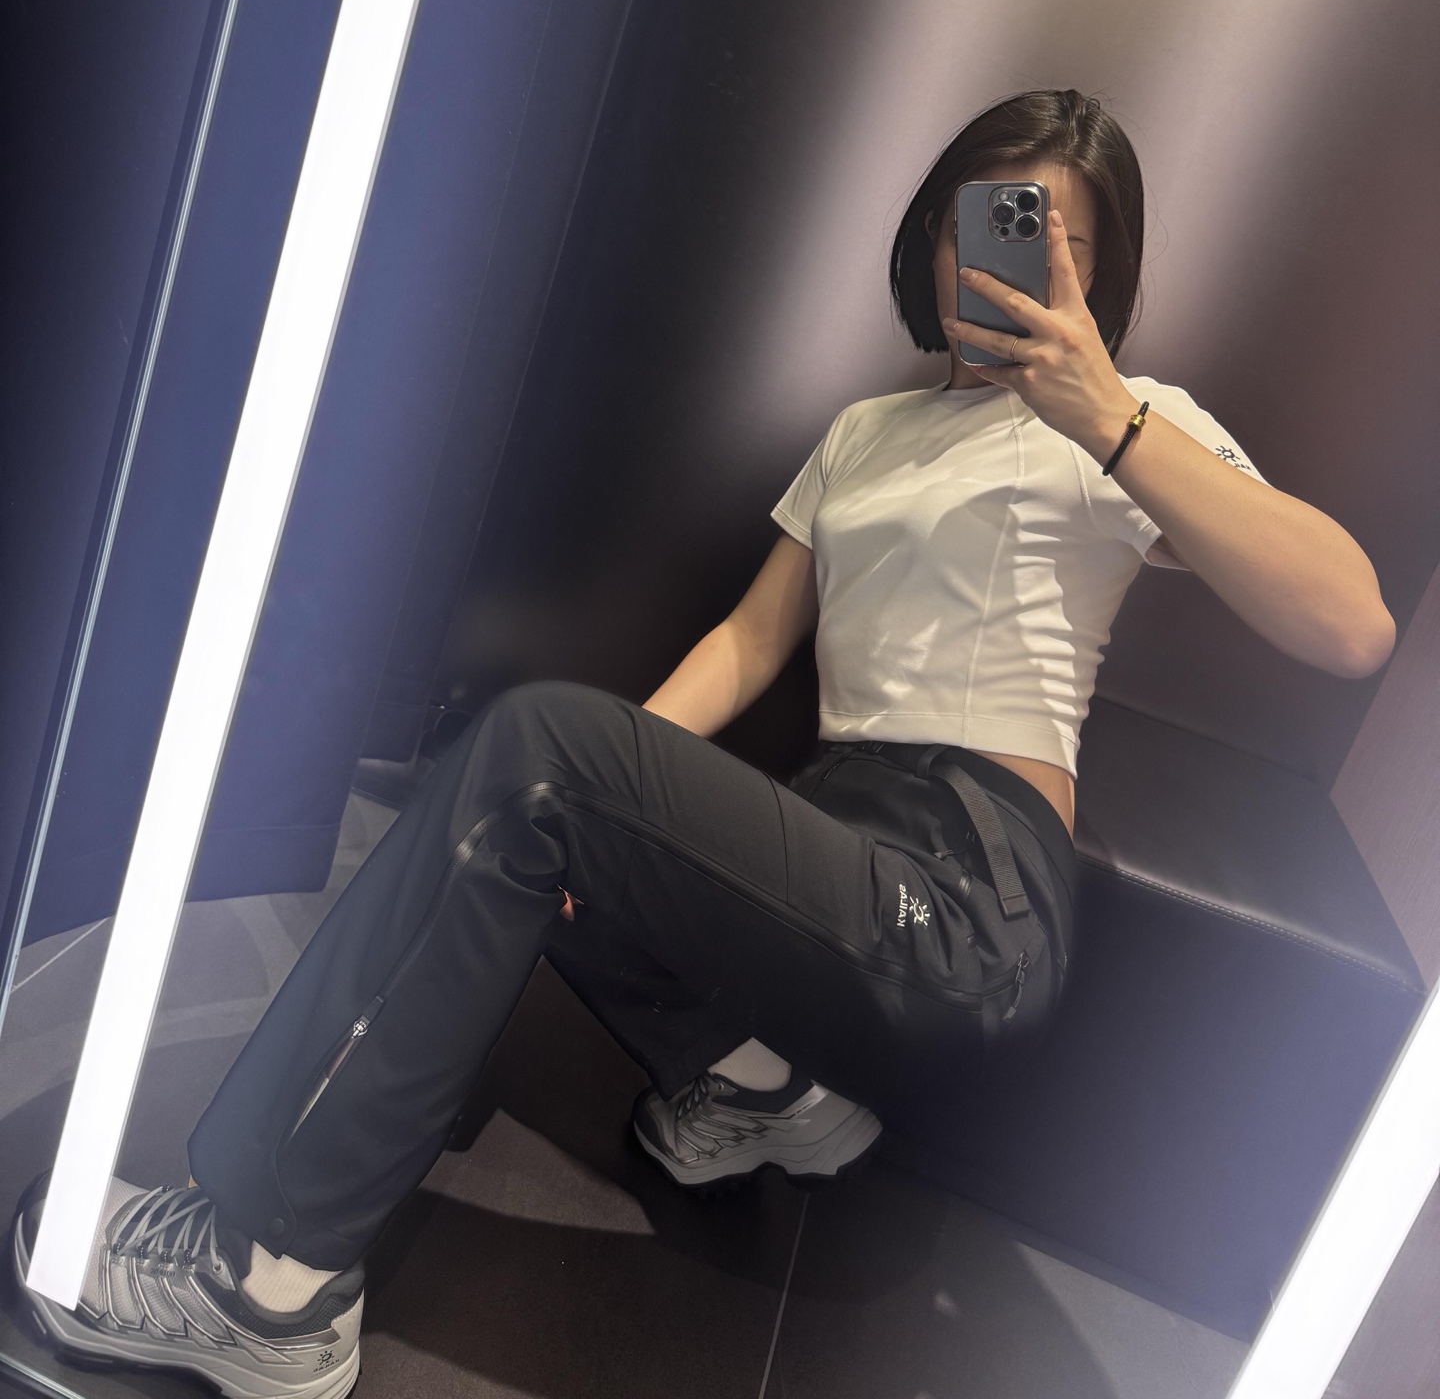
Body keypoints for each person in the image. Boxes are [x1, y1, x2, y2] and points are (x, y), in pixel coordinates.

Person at [13, 91, 1395, 1399]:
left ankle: (270, 1285)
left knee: (541, 756)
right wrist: (579, 800)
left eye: (1055, 245)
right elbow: (749, 639)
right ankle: (769, 1087)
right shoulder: (866, 434)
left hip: (970, 890)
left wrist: (1107, 415)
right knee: (525, 796)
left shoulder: (1136, 423)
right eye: (981, 223)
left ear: (1101, 278)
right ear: (933, 238)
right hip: (838, 836)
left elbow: (1350, 624)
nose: (1014, 268)